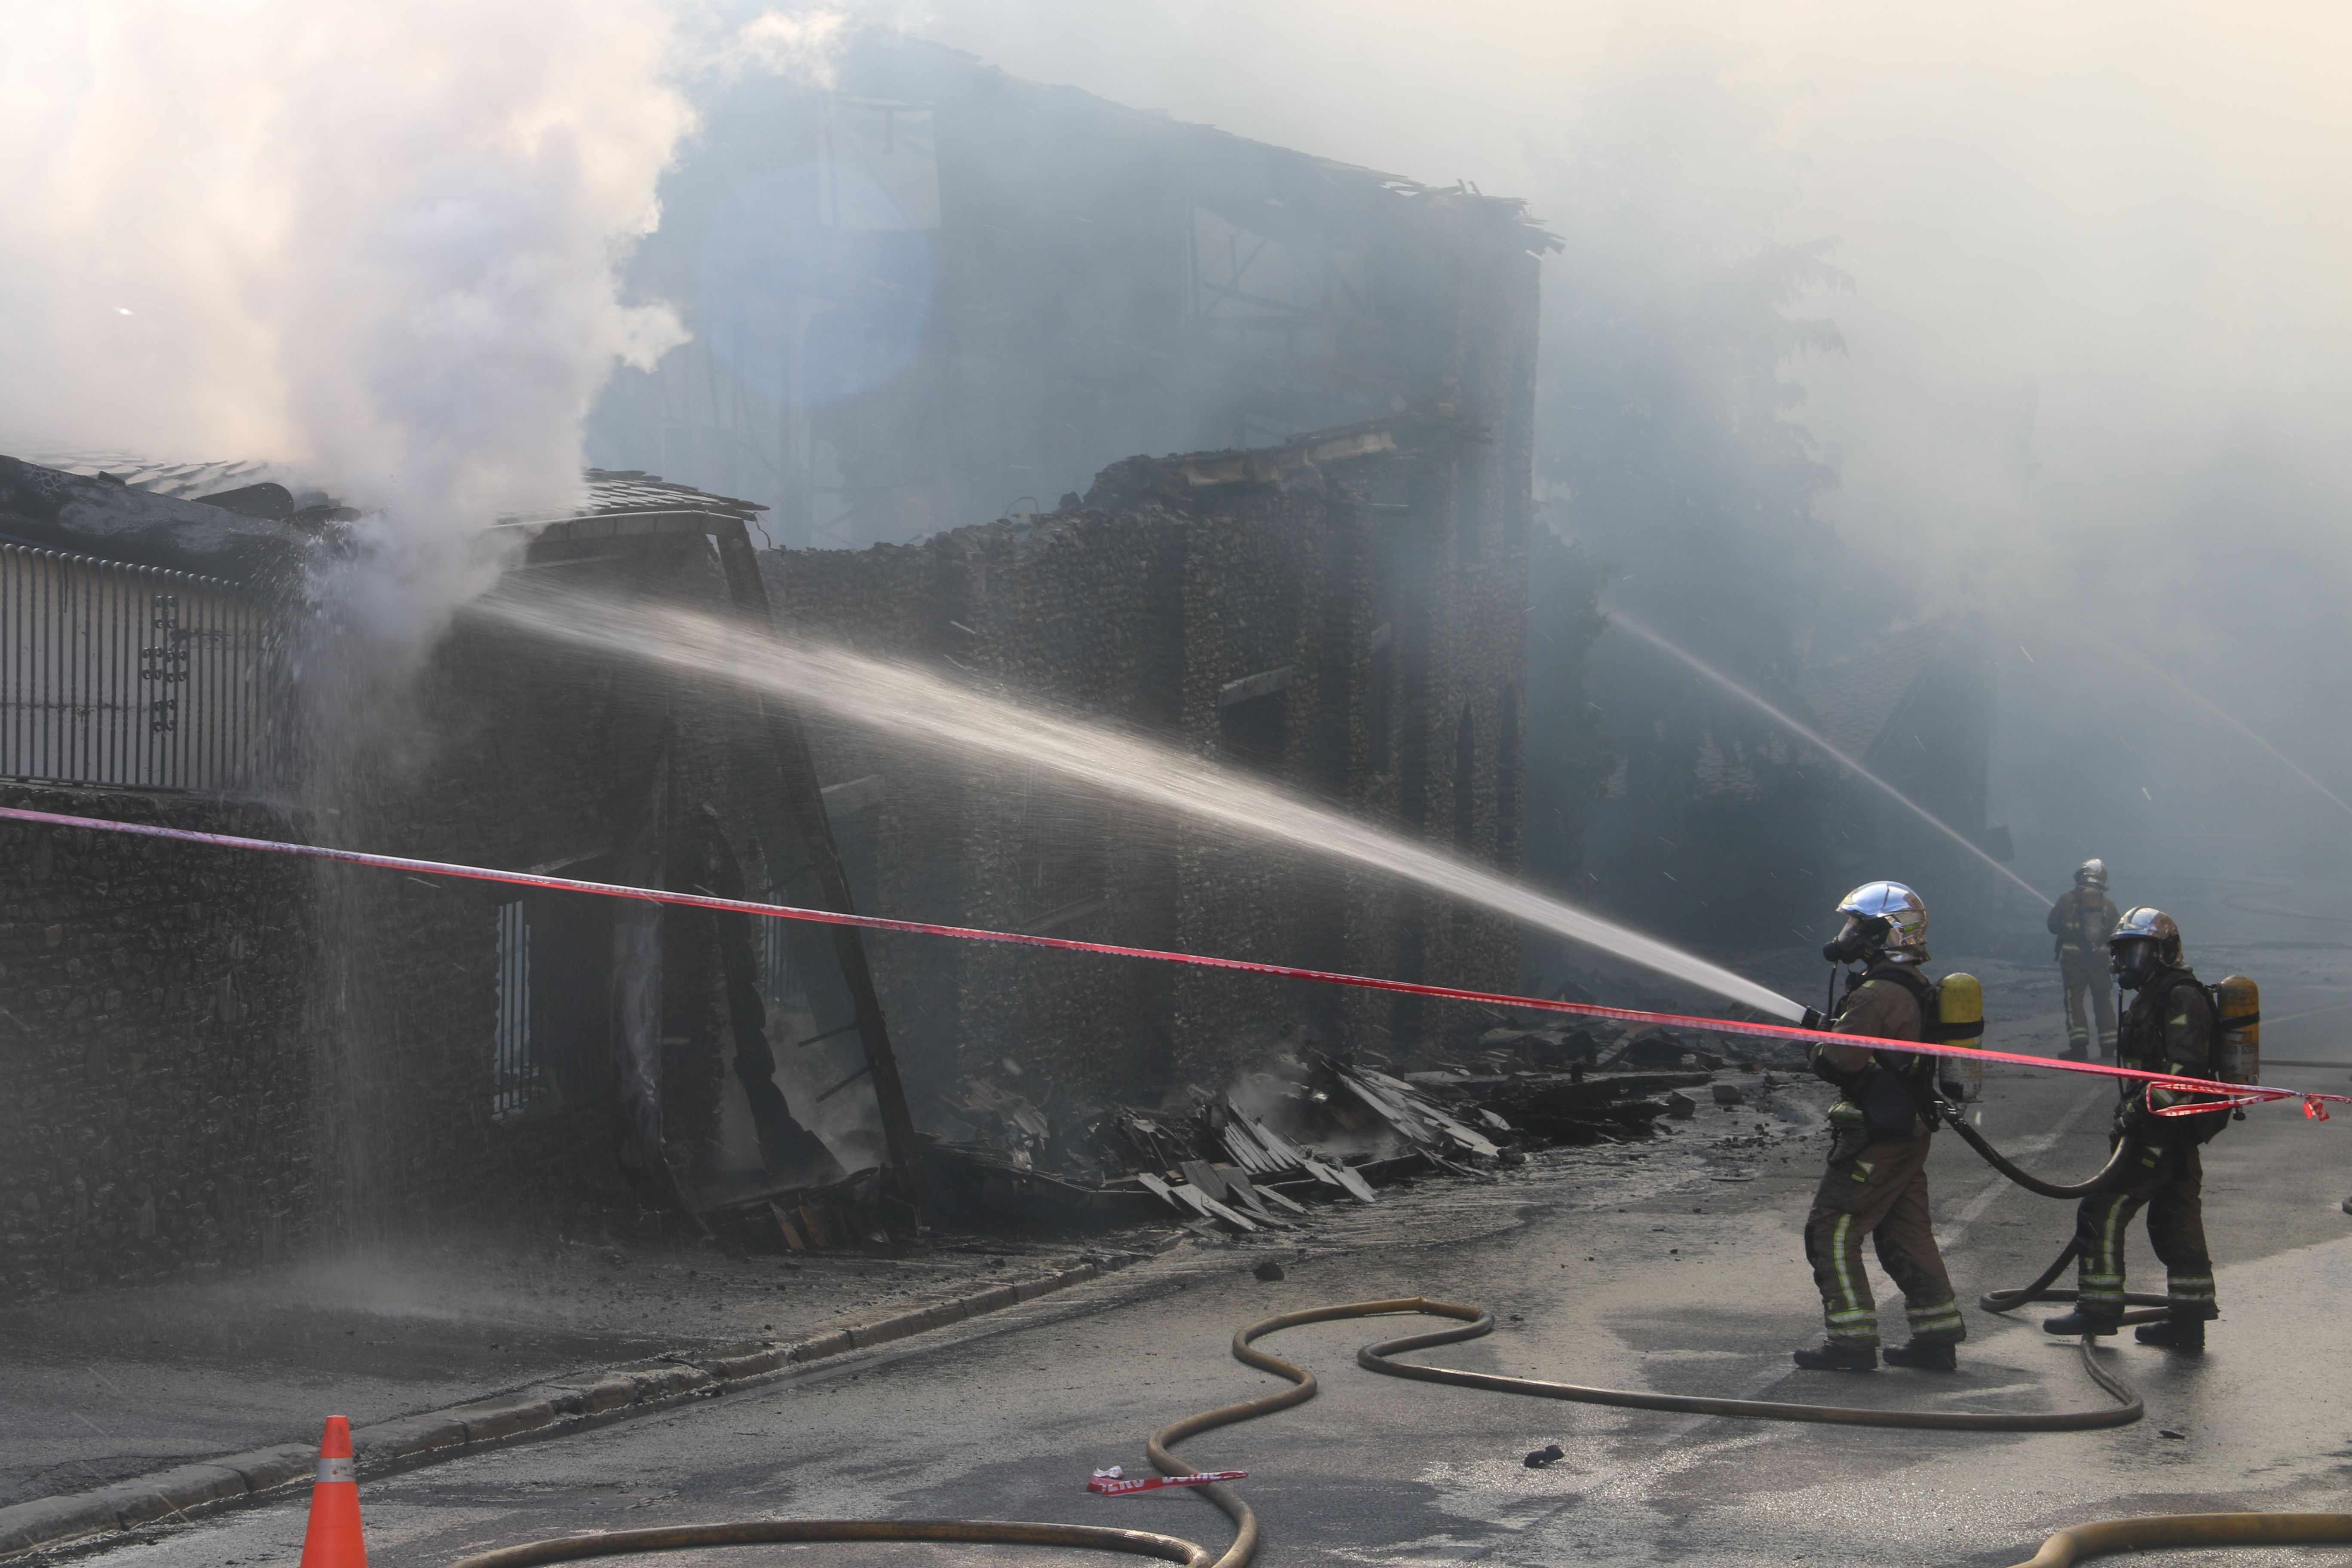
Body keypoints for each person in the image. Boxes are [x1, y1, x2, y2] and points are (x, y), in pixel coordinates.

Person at [1793, 882, 1969, 1372]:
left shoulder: (1877, 992)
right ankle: (1937, 1340)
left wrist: (1816, 1044)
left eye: (1858, 926)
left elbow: (1844, 1061)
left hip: (1878, 1135)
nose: (1849, 935)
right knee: (1905, 1236)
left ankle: (1851, 1343)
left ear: (1887, 933)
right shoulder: (1910, 985)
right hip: (1907, 1132)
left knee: (1831, 1230)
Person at [2043, 908, 2224, 1352]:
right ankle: (2188, 1322)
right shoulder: (2155, 994)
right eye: (2122, 953)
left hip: (2160, 1131)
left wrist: (2138, 1115)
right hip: (2172, 1132)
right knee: (2175, 1220)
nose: (2126, 963)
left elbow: (2185, 1073)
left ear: (2164, 952)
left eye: (2136, 951)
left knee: (2101, 1210)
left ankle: (2098, 1310)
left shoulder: (2179, 996)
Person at [2047, 859, 2121, 1060]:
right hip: (2100, 961)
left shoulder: (2066, 900)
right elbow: (2118, 934)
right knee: (2103, 1000)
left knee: (2074, 1001)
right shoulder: (2109, 905)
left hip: (2073, 960)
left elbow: (2052, 926)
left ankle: (2079, 1047)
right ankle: (2109, 1046)